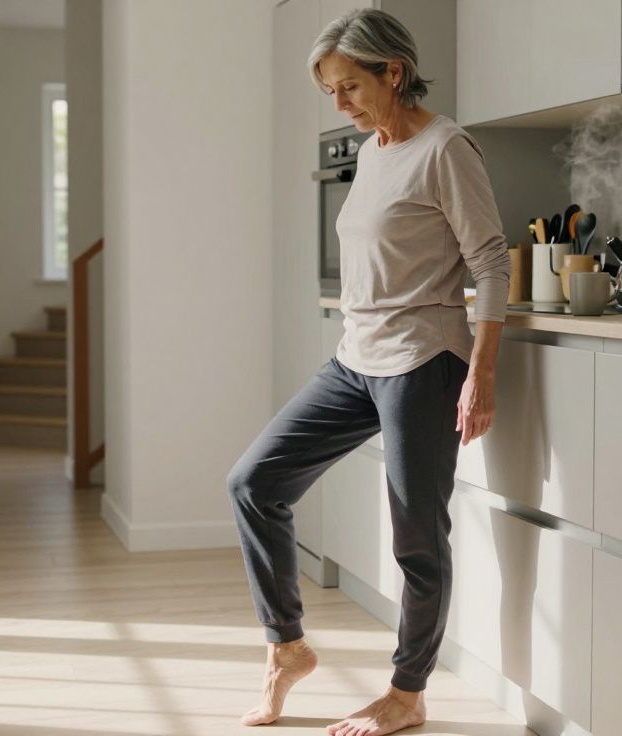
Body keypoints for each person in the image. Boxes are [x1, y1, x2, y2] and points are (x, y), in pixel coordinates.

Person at [226, 7, 510, 735]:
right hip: (355, 359)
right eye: (330, 91)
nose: (339, 103)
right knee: (255, 483)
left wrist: (481, 373)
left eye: (349, 86)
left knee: (417, 536)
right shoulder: (374, 151)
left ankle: (407, 693)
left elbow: (490, 263)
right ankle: (286, 646)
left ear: (394, 72)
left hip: (424, 361)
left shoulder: (446, 148)